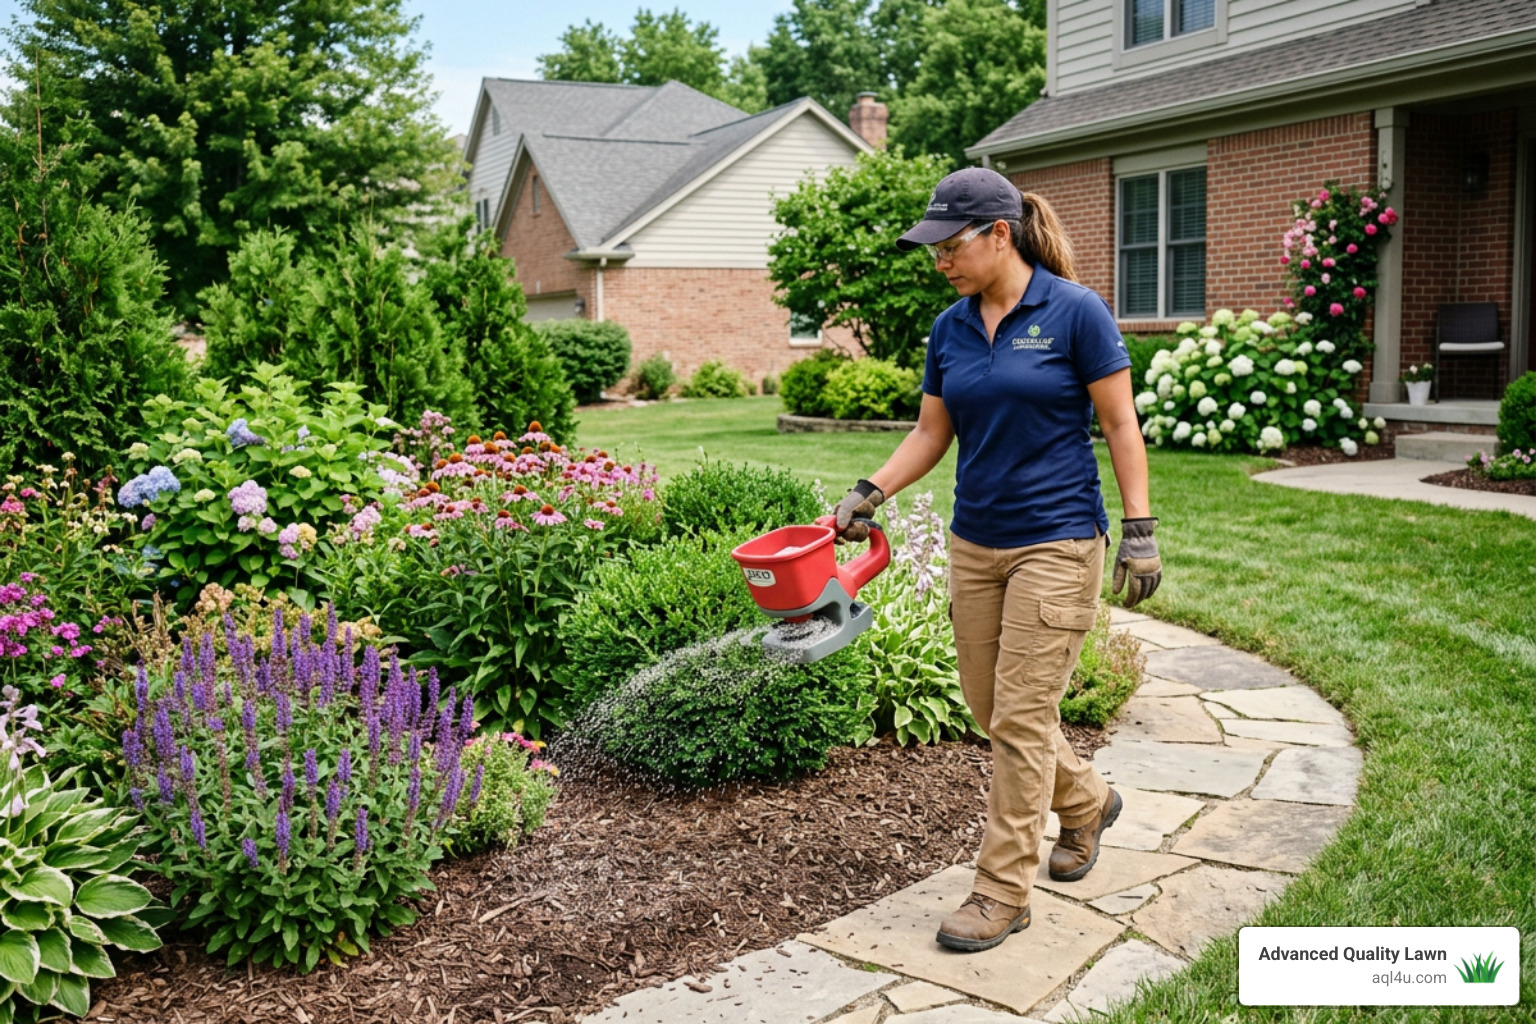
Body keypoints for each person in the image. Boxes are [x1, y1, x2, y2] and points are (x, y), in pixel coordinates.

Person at [833, 167, 1162, 953]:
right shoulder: (950, 328)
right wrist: (870, 491)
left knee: (1019, 720)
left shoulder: (1075, 312)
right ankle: (1086, 802)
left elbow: (1121, 424)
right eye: (935, 249)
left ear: (1000, 235)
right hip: (976, 541)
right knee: (991, 709)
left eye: (951, 246)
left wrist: (1140, 527)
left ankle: (1002, 891)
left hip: (1057, 539)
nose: (940, 261)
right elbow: (931, 432)